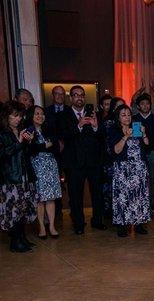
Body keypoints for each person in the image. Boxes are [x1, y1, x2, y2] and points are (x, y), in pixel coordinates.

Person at [58, 85, 106, 234]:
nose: (79, 97)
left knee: (97, 193)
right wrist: (78, 126)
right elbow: (64, 135)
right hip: (74, 163)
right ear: (71, 98)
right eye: (76, 95)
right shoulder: (64, 115)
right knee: (76, 195)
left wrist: (96, 126)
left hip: (93, 162)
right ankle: (79, 224)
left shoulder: (94, 113)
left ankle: (97, 221)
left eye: (82, 95)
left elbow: (102, 136)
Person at [107, 104, 151, 237]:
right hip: (123, 170)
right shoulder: (114, 130)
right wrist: (125, 136)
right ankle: (121, 225)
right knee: (122, 197)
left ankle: (138, 223)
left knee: (139, 195)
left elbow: (147, 146)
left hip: (139, 168)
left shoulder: (136, 128)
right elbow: (116, 150)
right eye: (123, 115)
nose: (127, 117)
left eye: (128, 115)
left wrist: (143, 134)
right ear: (118, 117)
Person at [0, 101, 38, 252]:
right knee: (13, 211)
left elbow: (29, 154)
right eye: (15, 116)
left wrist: (29, 142)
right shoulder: (3, 133)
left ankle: (22, 238)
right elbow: (4, 154)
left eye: (20, 116)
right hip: (10, 178)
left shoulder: (21, 131)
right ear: (6, 116)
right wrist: (20, 143)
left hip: (25, 176)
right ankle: (15, 242)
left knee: (24, 209)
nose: (18, 119)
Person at [28, 106, 61, 238]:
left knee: (51, 198)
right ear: (31, 115)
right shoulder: (27, 131)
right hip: (36, 167)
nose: (40, 116)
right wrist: (43, 146)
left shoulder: (48, 129)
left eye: (42, 114)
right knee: (40, 199)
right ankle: (41, 226)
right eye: (37, 114)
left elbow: (56, 147)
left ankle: (52, 226)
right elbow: (30, 149)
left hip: (51, 166)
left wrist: (43, 147)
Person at [132, 93, 154, 215]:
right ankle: (141, 202)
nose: (145, 106)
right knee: (140, 178)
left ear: (150, 105)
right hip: (139, 152)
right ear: (138, 106)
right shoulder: (135, 119)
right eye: (142, 104)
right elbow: (135, 137)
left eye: (147, 103)